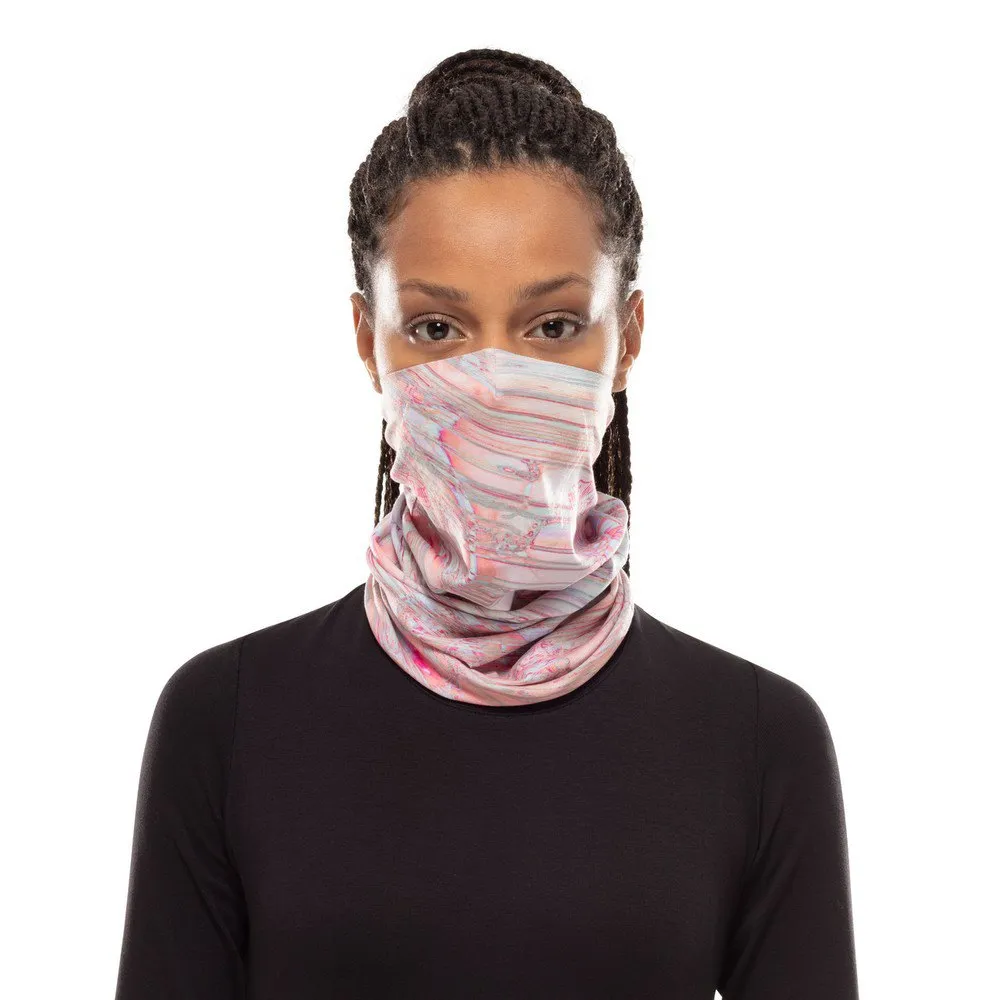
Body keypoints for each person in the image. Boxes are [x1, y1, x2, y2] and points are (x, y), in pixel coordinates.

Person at [114, 47, 859, 999]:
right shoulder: (224, 722)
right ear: (367, 341)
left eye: (553, 327)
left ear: (628, 338)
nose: (497, 379)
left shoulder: (758, 743)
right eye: (437, 329)